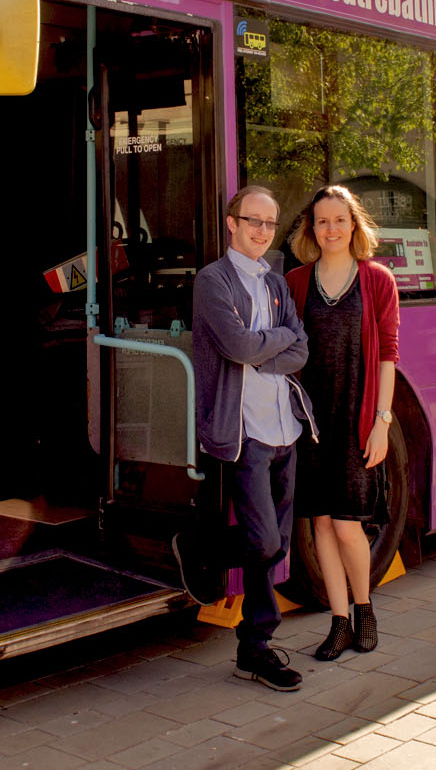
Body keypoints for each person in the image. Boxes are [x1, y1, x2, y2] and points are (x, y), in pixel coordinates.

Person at [182, 184, 314, 692]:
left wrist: (269, 346)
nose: (261, 231)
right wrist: (272, 343)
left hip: (286, 425)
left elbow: (299, 350)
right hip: (245, 432)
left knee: (273, 547)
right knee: (264, 540)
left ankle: (254, 648)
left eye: (269, 223)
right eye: (252, 221)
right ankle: (203, 548)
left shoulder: (276, 283)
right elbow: (236, 345)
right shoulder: (212, 281)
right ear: (232, 223)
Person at [285, 185, 399, 661]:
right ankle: (337, 623)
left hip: (356, 421)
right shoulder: (295, 282)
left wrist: (382, 423)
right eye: (321, 221)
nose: (330, 229)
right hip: (311, 424)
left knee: (349, 526)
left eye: (339, 220)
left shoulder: (376, 280)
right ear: (311, 228)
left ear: (354, 225)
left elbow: (389, 356)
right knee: (321, 527)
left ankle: (364, 608)